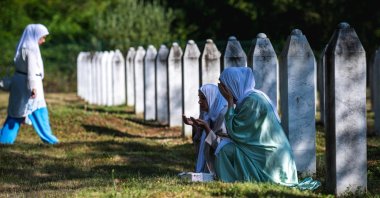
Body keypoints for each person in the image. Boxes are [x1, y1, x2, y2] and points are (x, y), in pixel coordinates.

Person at [217, 67, 319, 190]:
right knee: (225, 144)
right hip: (270, 154)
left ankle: (229, 181)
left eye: (222, 86)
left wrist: (229, 101)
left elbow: (235, 131)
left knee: (224, 148)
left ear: (232, 85)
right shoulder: (252, 98)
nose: (220, 89)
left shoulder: (252, 101)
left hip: (269, 159)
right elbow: (250, 132)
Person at [0, 24, 59, 144]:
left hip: (19, 82)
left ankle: (4, 140)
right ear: (35, 35)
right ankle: (51, 140)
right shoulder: (31, 48)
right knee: (39, 113)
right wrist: (33, 87)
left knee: (15, 114)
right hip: (30, 83)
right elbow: (31, 70)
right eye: (42, 37)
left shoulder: (22, 46)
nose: (43, 40)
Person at [183, 84, 230, 175]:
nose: (199, 102)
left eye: (203, 98)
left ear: (213, 98)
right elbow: (200, 142)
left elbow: (221, 146)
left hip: (221, 167)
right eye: (199, 98)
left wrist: (206, 128)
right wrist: (196, 127)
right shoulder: (206, 115)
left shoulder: (224, 115)